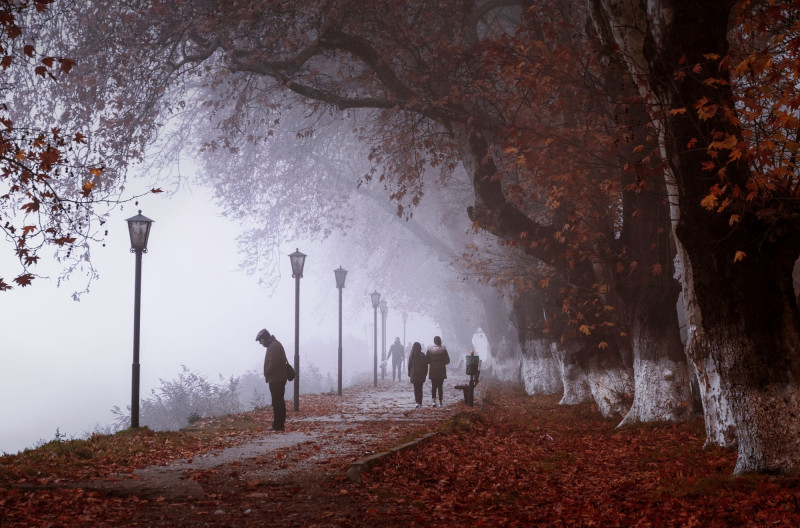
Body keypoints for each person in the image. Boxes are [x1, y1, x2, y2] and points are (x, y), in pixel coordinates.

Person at [256, 328, 288, 432]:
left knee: (277, 403)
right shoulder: (274, 345)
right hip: (277, 378)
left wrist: (266, 373)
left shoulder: (274, 346)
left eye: (260, 340)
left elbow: (273, 364)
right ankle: (278, 425)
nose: (260, 343)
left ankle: (278, 426)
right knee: (278, 402)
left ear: (264, 338)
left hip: (276, 379)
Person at [426, 336, 450, 407]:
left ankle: (433, 401)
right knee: (440, 386)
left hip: (433, 369)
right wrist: (442, 363)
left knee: (433, 386)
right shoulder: (444, 350)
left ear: (434, 341)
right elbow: (448, 360)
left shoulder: (430, 350)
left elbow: (426, 360)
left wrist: (432, 362)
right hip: (441, 369)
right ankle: (440, 402)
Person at [407, 342, 428, 408]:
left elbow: (409, 365)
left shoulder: (412, 355)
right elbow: (426, 365)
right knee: (420, 388)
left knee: (416, 388)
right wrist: (425, 373)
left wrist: (409, 373)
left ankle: (417, 402)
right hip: (421, 373)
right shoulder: (423, 355)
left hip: (414, 373)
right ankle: (420, 402)